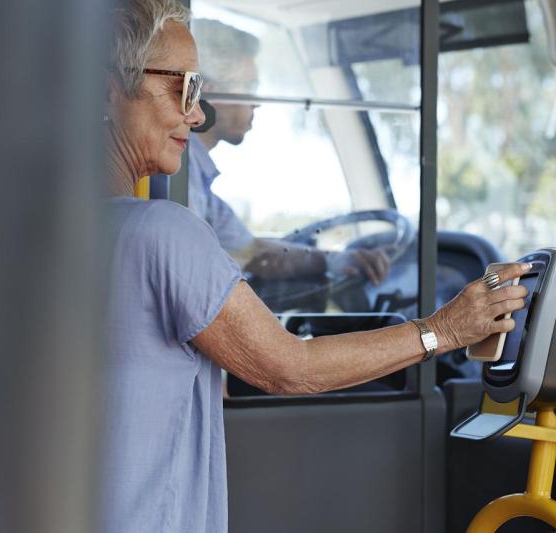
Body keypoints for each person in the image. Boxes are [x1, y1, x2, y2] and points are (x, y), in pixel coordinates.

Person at [101, 1, 530, 532]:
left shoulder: (15, 241)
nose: (197, 111)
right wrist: (442, 331)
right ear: (106, 91)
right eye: (183, 88)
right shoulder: (163, 234)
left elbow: (251, 252)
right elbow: (290, 367)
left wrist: (338, 262)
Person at [185, 18, 393, 286]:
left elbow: (253, 253)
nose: (256, 104)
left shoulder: (198, 180)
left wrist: (334, 260)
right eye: (248, 87)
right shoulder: (183, 173)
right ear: (210, 92)